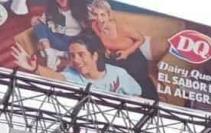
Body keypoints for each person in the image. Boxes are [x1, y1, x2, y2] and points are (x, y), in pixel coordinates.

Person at [12, 32, 142, 96]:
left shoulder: (119, 74)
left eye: (81, 54)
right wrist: (35, 68)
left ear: (95, 55)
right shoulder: (72, 74)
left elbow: (138, 97)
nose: (76, 60)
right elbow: (58, 77)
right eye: (72, 56)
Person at [88, 0, 157, 100]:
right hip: (114, 57)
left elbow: (141, 39)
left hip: (132, 56)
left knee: (140, 81)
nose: (99, 19)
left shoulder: (123, 28)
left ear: (109, 15)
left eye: (102, 15)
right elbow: (100, 38)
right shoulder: (94, 25)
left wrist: (127, 52)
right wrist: (105, 48)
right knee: (105, 73)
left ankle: (152, 101)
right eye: (95, 14)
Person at [31, 0, 89, 71]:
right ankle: (50, 53)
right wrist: (36, 21)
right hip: (58, 38)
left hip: (73, 42)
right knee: (37, 23)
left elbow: (87, 31)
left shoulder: (80, 8)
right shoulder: (52, 9)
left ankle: (57, 53)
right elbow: (45, 23)